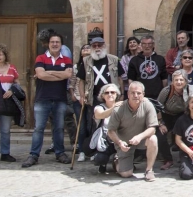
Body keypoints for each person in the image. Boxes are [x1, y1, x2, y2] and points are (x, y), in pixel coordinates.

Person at [22, 32, 73, 168]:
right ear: (48, 44)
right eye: (52, 42)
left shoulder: (66, 60)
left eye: (57, 42)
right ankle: (33, 155)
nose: (55, 44)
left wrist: (49, 72)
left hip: (60, 99)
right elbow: (40, 74)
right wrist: (58, 75)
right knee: (39, 128)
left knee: (59, 128)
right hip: (42, 99)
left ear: (61, 44)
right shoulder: (41, 58)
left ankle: (60, 153)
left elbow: (68, 75)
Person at [77, 37, 122, 162]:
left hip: (112, 97)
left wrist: (121, 94)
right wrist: (81, 96)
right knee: (94, 125)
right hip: (94, 98)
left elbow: (119, 78)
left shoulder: (113, 59)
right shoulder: (86, 61)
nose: (97, 48)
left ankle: (112, 149)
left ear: (104, 46)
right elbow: (81, 81)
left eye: (99, 45)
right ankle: (94, 150)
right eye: (94, 45)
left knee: (114, 123)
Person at [107, 81, 159, 181]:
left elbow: (152, 128)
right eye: (132, 93)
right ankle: (116, 161)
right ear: (128, 94)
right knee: (126, 174)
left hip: (141, 141)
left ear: (143, 94)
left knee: (153, 139)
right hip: (124, 144)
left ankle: (149, 170)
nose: (135, 95)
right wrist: (119, 142)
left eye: (139, 93)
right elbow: (111, 131)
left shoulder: (148, 105)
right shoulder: (119, 109)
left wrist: (139, 137)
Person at [156, 69, 193, 170]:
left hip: (183, 115)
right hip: (167, 115)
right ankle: (168, 159)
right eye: (176, 80)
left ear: (186, 81)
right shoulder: (166, 91)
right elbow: (157, 107)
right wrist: (160, 123)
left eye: (181, 80)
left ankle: (186, 157)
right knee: (160, 134)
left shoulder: (191, 89)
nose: (179, 82)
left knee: (190, 133)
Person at [91, 83, 122, 174]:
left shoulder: (123, 106)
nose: (110, 94)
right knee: (100, 159)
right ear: (102, 95)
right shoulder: (99, 107)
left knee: (121, 170)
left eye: (112, 92)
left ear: (117, 94)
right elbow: (99, 115)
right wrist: (114, 107)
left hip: (121, 138)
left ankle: (122, 160)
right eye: (107, 93)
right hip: (106, 141)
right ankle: (103, 164)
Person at [70, 44, 92, 160]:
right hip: (78, 99)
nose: (86, 50)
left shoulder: (93, 65)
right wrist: (73, 95)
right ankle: (82, 150)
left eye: (88, 48)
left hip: (91, 99)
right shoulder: (76, 67)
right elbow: (72, 82)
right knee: (81, 126)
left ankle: (91, 150)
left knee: (91, 125)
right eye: (84, 48)